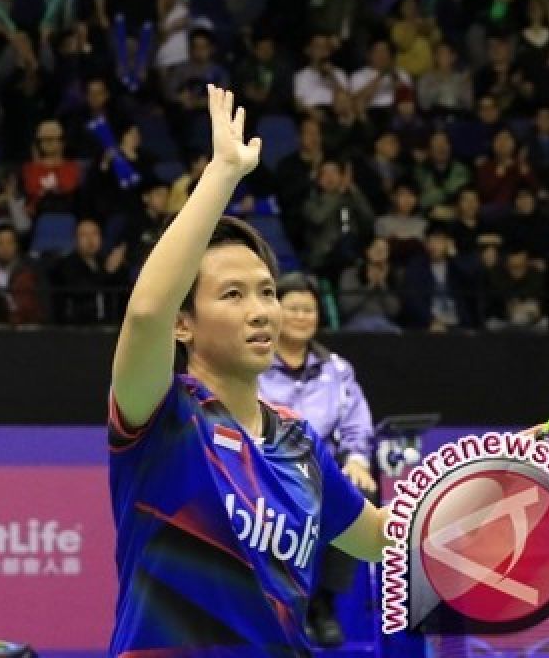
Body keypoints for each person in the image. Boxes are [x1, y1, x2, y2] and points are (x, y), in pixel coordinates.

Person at [107, 87, 390, 654]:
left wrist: (483, 478)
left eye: (266, 291)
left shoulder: (297, 442)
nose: (261, 310)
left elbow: (379, 539)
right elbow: (144, 312)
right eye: (232, 294)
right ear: (183, 324)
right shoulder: (162, 416)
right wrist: (224, 175)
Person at [259, 273, 379, 646]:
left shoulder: (337, 371)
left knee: (359, 495)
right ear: (276, 312)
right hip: (267, 472)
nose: (301, 316)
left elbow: (357, 422)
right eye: (292, 308)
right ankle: (285, 603)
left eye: (308, 309)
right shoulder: (255, 363)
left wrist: (357, 459)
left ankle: (322, 603)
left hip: (323, 473)